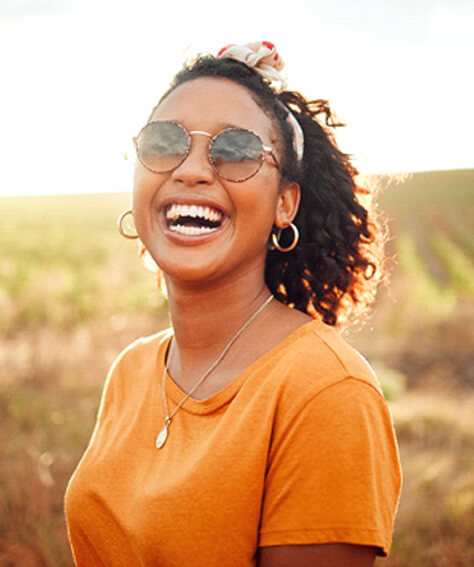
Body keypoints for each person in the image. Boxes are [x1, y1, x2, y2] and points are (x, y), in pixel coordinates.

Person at [65, 41, 402, 566]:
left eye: (237, 150)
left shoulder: (326, 392)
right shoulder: (131, 370)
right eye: (163, 143)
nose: (192, 170)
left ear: (284, 203)